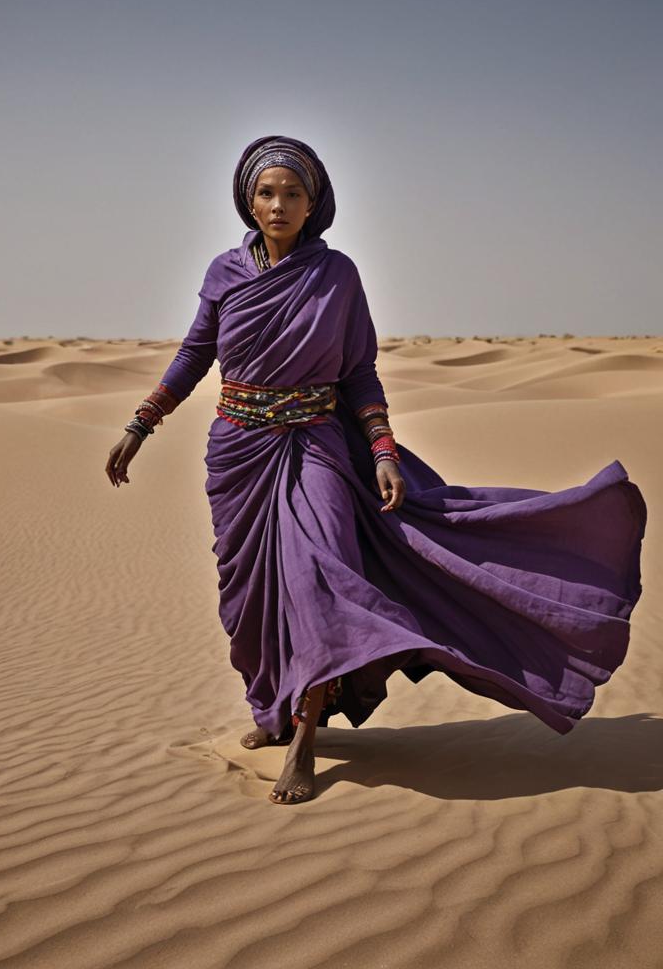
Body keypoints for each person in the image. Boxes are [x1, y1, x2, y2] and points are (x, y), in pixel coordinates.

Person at [105, 134, 647, 806]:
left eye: (293, 194)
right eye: (266, 193)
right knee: (251, 596)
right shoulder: (224, 273)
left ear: (314, 204)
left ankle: (306, 738)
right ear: (249, 201)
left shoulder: (336, 276)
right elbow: (194, 355)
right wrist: (141, 422)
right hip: (238, 453)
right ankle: (275, 709)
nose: (278, 204)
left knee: (321, 577)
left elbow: (359, 373)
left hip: (317, 446)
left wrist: (383, 453)